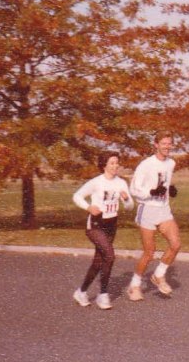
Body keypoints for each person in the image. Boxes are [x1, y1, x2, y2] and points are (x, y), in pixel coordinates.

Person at [72, 151, 133, 310]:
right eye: (112, 163)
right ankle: (103, 294)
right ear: (104, 165)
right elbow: (77, 196)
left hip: (111, 224)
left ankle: (81, 292)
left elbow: (129, 207)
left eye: (117, 163)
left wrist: (126, 199)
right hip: (96, 224)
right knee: (110, 256)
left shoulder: (121, 183)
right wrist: (88, 207)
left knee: (99, 261)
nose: (115, 166)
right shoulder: (96, 182)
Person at [127, 131, 181, 300]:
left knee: (175, 244)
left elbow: (163, 181)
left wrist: (170, 189)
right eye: (164, 143)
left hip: (163, 209)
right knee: (149, 253)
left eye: (169, 143)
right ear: (156, 145)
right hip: (147, 210)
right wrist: (151, 192)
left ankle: (158, 275)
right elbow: (134, 189)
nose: (167, 147)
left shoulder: (171, 163)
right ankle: (134, 285)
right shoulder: (146, 164)